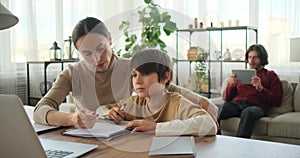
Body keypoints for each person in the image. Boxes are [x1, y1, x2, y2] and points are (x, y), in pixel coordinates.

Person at [33, 17, 218, 129]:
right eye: (87, 54)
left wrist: (202, 101)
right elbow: (41, 110)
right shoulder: (72, 74)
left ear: (110, 40)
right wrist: (72, 118)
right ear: (78, 52)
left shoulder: (130, 67)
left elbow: (165, 87)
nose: (97, 58)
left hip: (124, 136)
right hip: (87, 139)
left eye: (101, 48)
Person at [105, 48, 217, 136]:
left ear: (166, 76)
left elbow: (209, 124)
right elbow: (101, 110)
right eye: (134, 75)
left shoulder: (176, 102)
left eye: (145, 74)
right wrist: (111, 113)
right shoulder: (134, 102)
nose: (137, 81)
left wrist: (155, 127)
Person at [218, 44, 283, 138]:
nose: (251, 61)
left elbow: (277, 100)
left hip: (255, 106)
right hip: (237, 104)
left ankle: (240, 145)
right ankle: (217, 140)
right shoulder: (240, 74)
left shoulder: (270, 75)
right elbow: (226, 98)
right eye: (249, 57)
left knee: (249, 112)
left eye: (255, 57)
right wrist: (231, 85)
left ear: (262, 58)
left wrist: (261, 89)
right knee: (214, 108)